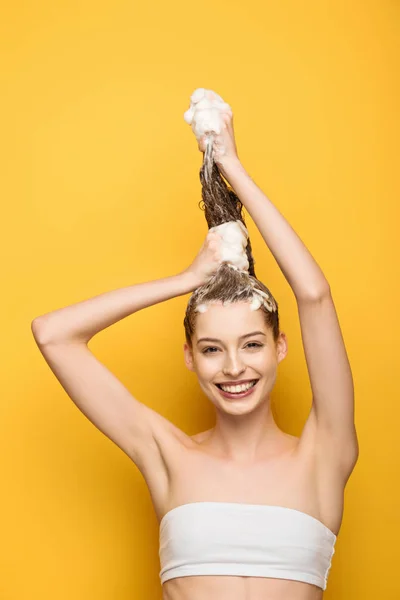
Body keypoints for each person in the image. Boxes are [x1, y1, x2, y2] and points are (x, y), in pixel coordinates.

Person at [31, 107, 359, 600]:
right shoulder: (165, 453)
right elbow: (53, 333)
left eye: (252, 344)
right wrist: (185, 281)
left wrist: (231, 166)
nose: (233, 367)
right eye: (211, 349)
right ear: (189, 357)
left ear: (280, 347)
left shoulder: (324, 453)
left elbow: (313, 295)